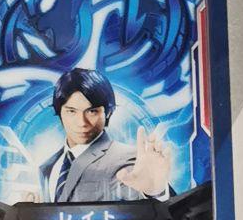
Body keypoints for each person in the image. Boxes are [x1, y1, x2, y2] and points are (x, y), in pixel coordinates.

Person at [38, 67, 172, 204]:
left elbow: (143, 198)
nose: (82, 122)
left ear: (108, 112)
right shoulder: (47, 167)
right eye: (71, 111)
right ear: (59, 112)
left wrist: (154, 192)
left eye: (92, 111)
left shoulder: (128, 158)